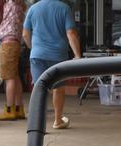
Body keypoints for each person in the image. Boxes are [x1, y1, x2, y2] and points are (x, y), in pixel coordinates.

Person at [23, 0, 81, 130]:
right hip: (58, 56)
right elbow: (71, 33)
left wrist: (33, 48)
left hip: (37, 55)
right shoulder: (64, 8)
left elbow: (25, 34)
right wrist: (77, 55)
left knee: (39, 88)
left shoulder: (33, 8)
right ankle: (57, 120)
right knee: (58, 87)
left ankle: (37, 124)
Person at [0, 0, 27, 121]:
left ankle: (9, 109)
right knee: (15, 76)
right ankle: (19, 108)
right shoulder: (19, 4)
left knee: (9, 77)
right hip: (15, 41)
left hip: (8, 42)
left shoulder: (12, 3)